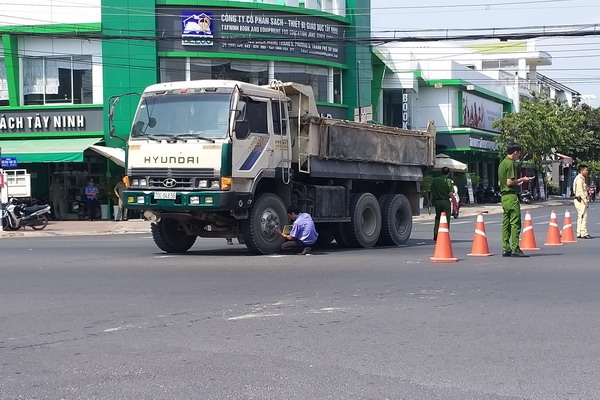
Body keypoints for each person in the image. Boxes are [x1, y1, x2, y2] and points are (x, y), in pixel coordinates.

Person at [498, 142, 532, 257]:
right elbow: (509, 182)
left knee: (506, 223)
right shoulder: (510, 163)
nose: (519, 155)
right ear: (515, 152)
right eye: (519, 153)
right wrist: (522, 179)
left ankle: (505, 248)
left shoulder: (502, 163)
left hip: (504, 196)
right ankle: (515, 248)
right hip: (511, 196)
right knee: (515, 223)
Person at [430, 167, 453, 241]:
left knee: (437, 218)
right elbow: (450, 193)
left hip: (437, 202)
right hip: (445, 202)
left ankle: (436, 233)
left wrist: (430, 202)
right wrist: (455, 202)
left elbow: (432, 192)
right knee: (446, 219)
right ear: (448, 173)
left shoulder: (435, 180)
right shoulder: (448, 181)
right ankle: (444, 234)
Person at [573, 164, 592, 239]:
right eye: (586, 170)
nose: (587, 171)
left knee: (580, 216)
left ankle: (579, 233)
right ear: (581, 170)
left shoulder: (581, 178)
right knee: (584, 217)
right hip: (580, 200)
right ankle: (584, 233)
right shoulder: (580, 179)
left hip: (579, 199)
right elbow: (580, 191)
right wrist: (586, 201)